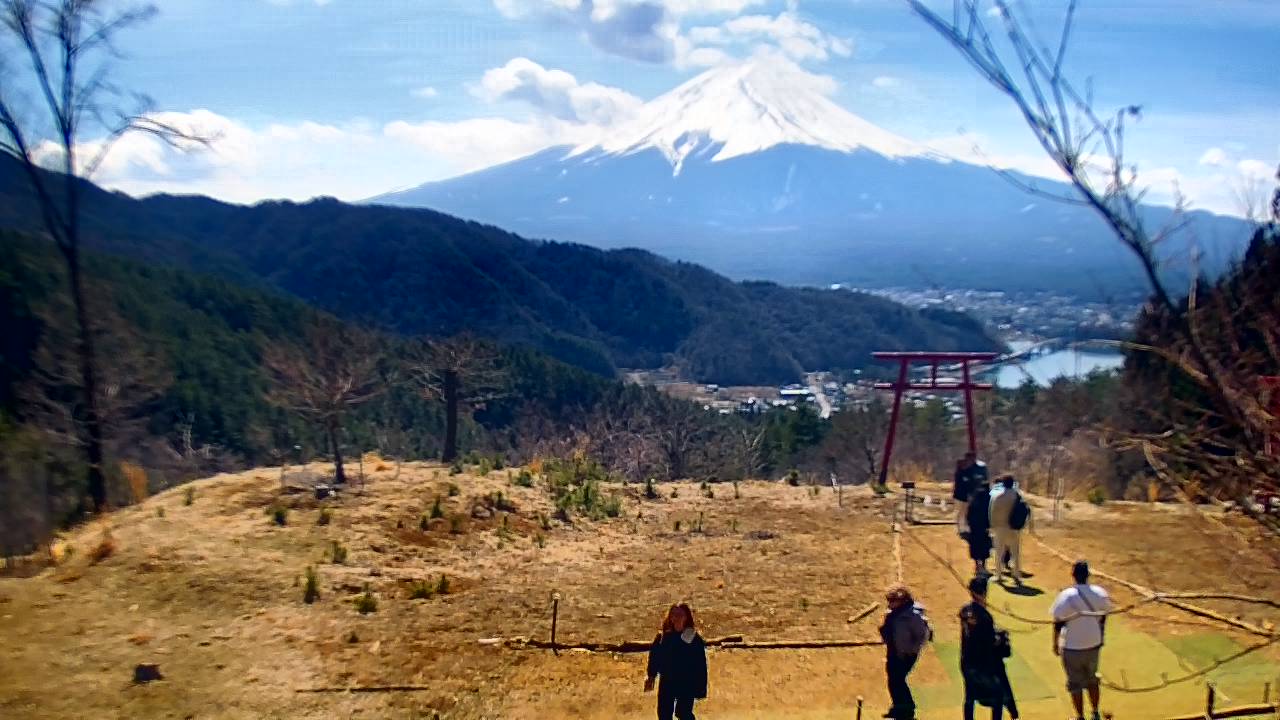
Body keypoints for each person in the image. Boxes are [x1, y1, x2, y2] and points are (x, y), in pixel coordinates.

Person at [1050, 561, 1113, 720]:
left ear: (1073, 575)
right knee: (1093, 679)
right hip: (1093, 644)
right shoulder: (1100, 593)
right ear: (1088, 575)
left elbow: (1057, 622)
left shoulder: (1066, 596)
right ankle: (1095, 712)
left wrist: (1055, 643)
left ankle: (1080, 716)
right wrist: (1101, 636)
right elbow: (1104, 616)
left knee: (1075, 684)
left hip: (1072, 646)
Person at [960, 576, 1019, 720]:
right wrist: (1000, 637)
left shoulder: (965, 611)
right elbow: (991, 641)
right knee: (997, 695)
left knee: (970, 696)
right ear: (983, 592)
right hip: (984, 664)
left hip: (967, 661)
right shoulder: (985, 617)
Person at [645, 603, 708, 720]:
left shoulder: (692, 638)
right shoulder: (663, 637)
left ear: (686, 617)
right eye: (674, 614)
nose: (677, 617)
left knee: (683, 713)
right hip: (667, 682)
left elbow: (700, 664)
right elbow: (654, 657)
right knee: (664, 714)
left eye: (680, 614)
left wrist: (701, 688)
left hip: (686, 682)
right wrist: (651, 676)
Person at [878, 585, 932, 719]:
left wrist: (911, 651)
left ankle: (907, 709)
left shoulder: (913, 616)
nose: (890, 604)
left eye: (892, 601)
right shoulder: (893, 614)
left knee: (898, 679)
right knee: (893, 679)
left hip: (906, 654)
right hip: (894, 650)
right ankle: (898, 707)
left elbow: (922, 635)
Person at [988, 474, 1028, 584]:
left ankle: (999, 575)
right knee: (1015, 552)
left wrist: (992, 526)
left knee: (999, 552)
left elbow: (992, 513)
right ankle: (1016, 575)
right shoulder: (1017, 495)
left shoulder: (997, 496)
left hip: (1000, 527)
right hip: (1014, 528)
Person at [965, 481, 993, 576]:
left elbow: (968, 513)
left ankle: (977, 566)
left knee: (976, 546)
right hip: (984, 527)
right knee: (984, 547)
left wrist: (969, 523)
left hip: (974, 527)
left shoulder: (974, 497)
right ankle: (984, 567)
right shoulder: (988, 498)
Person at [953, 458, 971, 534]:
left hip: (965, 496)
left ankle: (965, 528)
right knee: (960, 512)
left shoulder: (965, 473)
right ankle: (960, 528)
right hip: (959, 496)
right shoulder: (959, 473)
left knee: (965, 513)